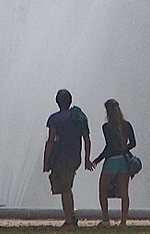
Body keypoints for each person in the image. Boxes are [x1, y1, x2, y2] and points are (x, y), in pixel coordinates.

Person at [44, 88, 92, 228]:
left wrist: (46, 161)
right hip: (75, 157)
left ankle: (69, 221)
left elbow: (51, 141)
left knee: (65, 188)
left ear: (57, 102)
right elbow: (87, 139)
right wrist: (87, 158)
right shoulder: (79, 117)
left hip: (62, 158)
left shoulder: (54, 119)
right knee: (67, 187)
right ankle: (70, 216)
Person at [90, 99, 137, 227]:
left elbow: (108, 148)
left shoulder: (106, 127)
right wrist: (124, 150)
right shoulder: (127, 125)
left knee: (103, 190)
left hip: (111, 161)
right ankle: (123, 222)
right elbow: (133, 143)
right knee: (124, 193)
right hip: (124, 161)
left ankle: (105, 219)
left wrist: (97, 161)